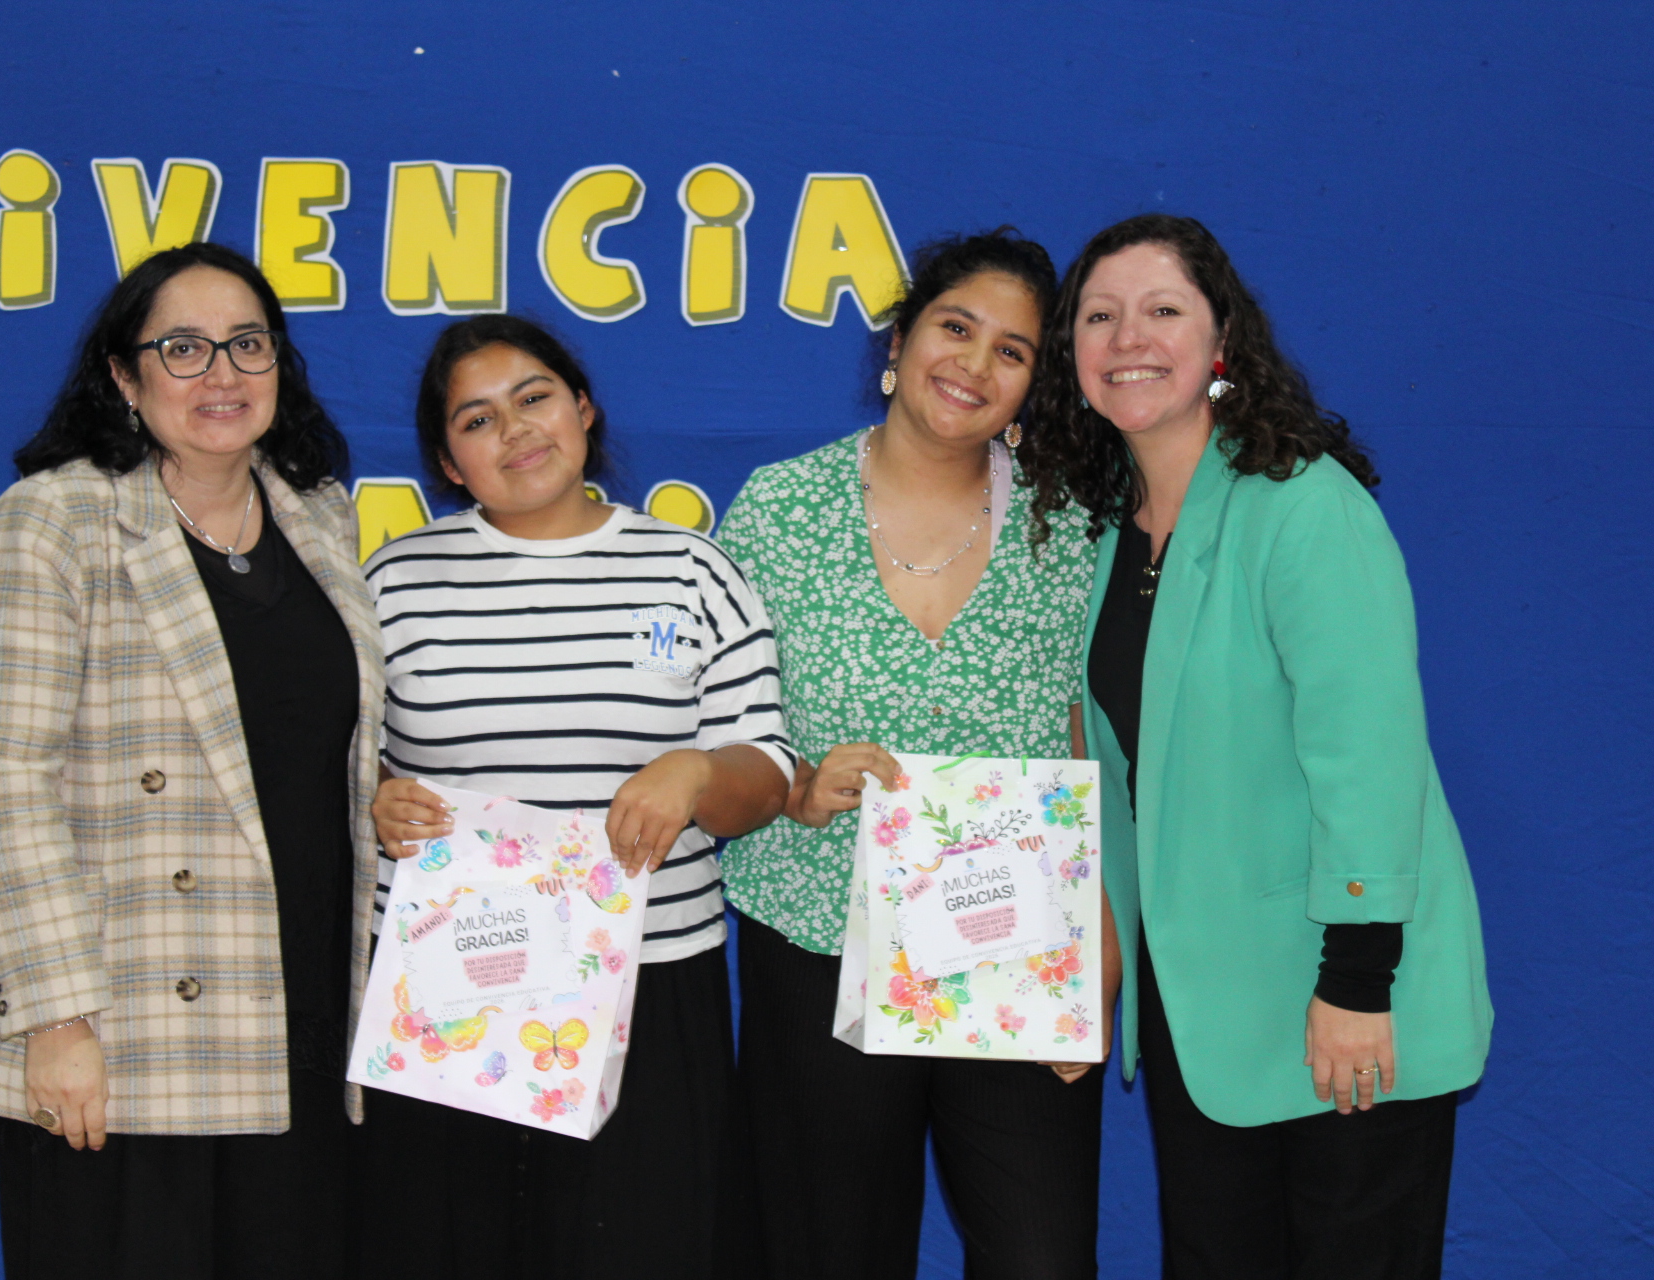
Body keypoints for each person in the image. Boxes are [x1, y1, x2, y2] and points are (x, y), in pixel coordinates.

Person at [1025, 212, 1493, 1279]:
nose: (1127, 336)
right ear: (1072, 357)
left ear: (1220, 336)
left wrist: (1359, 981)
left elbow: (1367, 753)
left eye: (1162, 309)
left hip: (1336, 1004)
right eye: (1098, 316)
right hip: (1203, 1017)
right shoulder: (1106, 534)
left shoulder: (1301, 504)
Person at [0, 242, 384, 1279]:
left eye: (247, 343)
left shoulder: (318, 517)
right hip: (129, 1039)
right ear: (123, 374)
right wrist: (58, 1020)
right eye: (182, 348)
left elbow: (318, 754)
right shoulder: (56, 520)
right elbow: (2, 780)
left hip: (306, 1029)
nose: (222, 373)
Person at [714, 228, 1117, 1280]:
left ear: (1037, 382)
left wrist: (1101, 953)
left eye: (1014, 350)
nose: (974, 365)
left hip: (1016, 950)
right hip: (817, 933)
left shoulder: (1071, 526)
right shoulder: (778, 508)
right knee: (826, 1254)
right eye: (955, 327)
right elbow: (723, 721)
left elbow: (1095, 748)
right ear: (899, 338)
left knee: (1042, 1258)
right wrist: (797, 790)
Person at [362, 314, 793, 1280]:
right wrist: (375, 804)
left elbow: (768, 769)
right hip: (447, 993)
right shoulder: (393, 584)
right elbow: (340, 766)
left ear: (584, 409)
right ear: (448, 460)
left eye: (534, 398)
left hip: (647, 986)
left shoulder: (689, 571)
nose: (515, 430)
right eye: (477, 420)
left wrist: (698, 775)